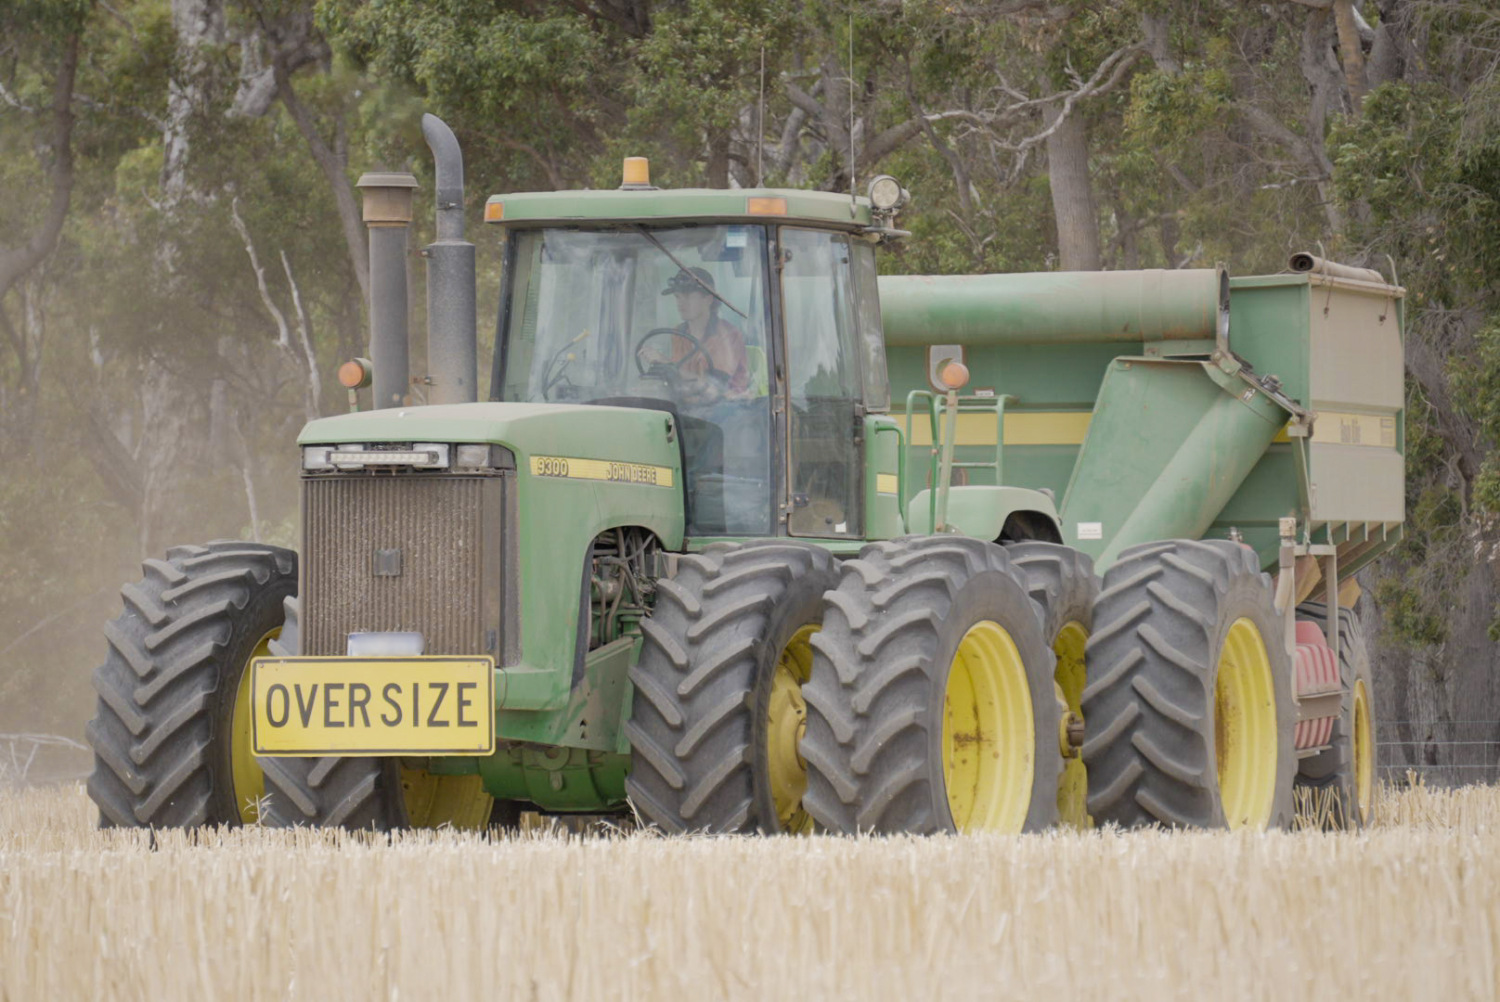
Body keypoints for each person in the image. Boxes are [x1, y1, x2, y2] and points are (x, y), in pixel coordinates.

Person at [658, 267, 750, 404]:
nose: (680, 303)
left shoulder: (728, 335)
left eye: (688, 296)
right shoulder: (677, 334)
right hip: (688, 407)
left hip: (726, 408)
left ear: (708, 299)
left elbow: (713, 388)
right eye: (677, 297)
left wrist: (667, 364)